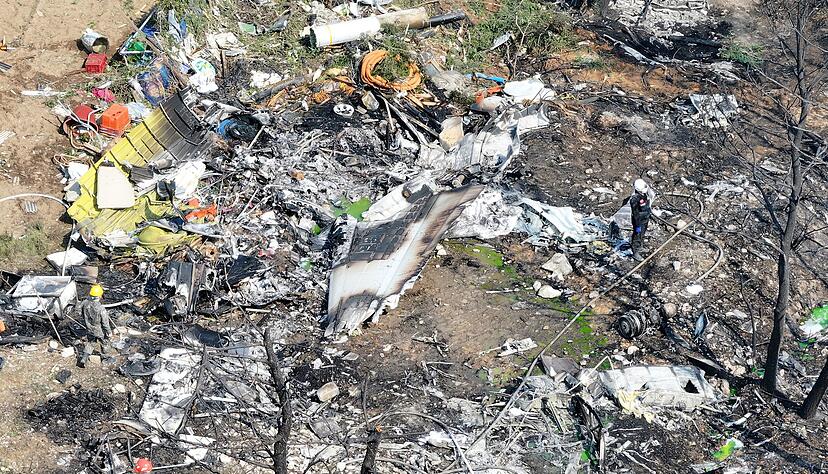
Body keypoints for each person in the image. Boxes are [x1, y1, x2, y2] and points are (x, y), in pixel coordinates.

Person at [77, 284, 115, 367]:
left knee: (91, 342)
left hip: (89, 328)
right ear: (99, 296)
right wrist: (109, 332)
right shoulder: (101, 308)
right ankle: (105, 358)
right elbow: (105, 323)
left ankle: (84, 358)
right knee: (105, 343)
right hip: (99, 330)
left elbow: (79, 311)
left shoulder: (85, 303)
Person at [629, 178, 653, 261]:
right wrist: (638, 225)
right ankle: (635, 252)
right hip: (638, 220)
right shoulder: (634, 199)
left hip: (645, 217)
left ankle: (640, 247)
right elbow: (635, 214)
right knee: (637, 235)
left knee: (642, 234)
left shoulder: (644, 194)